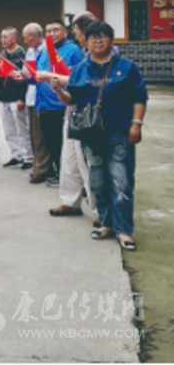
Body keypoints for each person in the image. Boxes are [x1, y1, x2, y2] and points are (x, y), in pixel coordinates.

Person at [52, 21, 147, 251]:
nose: (98, 40)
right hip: (91, 135)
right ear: (86, 42)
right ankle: (106, 224)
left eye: (103, 36)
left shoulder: (126, 67)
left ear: (111, 40)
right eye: (93, 37)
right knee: (97, 182)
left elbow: (140, 97)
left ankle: (124, 230)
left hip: (120, 132)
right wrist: (59, 91)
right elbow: (72, 100)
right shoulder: (80, 69)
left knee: (121, 181)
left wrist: (136, 124)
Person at [46, 12, 98, 218]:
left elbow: (87, 82)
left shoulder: (99, 53)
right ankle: (70, 202)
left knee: (87, 164)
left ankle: (100, 209)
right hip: (73, 112)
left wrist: (52, 76)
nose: (75, 34)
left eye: (75, 30)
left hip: (89, 117)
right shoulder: (85, 53)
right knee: (69, 162)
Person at [34, 20, 84, 188]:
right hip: (44, 105)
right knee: (52, 144)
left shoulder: (73, 50)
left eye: (56, 30)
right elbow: (38, 75)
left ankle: (73, 180)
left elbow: (77, 78)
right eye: (48, 31)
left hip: (62, 105)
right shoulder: (45, 50)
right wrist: (26, 77)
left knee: (66, 146)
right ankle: (59, 174)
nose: (52, 34)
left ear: (65, 32)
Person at [0, 26, 32, 170]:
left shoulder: (23, 54)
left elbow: (26, 79)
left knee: (22, 130)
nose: (2, 40)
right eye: (1, 37)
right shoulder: (2, 55)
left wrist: (22, 98)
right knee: (9, 130)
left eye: (6, 37)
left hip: (17, 98)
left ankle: (28, 157)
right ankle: (16, 155)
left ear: (14, 38)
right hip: (4, 97)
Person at [13, 23, 47, 177]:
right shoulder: (30, 51)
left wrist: (29, 76)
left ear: (36, 36)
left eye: (27, 38)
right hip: (31, 97)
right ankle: (37, 165)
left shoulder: (47, 51)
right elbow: (27, 72)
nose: (25, 41)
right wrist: (21, 76)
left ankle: (42, 169)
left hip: (44, 98)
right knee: (33, 135)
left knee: (41, 136)